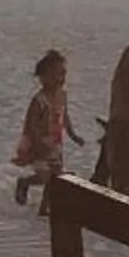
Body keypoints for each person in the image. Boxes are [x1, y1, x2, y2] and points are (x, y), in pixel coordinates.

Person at [12, 48, 78, 206]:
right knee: (44, 176)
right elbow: (31, 124)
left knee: (55, 176)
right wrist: (37, 143)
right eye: (55, 75)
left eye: (63, 74)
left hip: (55, 142)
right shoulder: (39, 101)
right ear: (42, 78)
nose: (60, 79)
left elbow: (64, 115)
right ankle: (24, 182)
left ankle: (45, 206)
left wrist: (72, 134)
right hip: (37, 142)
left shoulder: (62, 95)